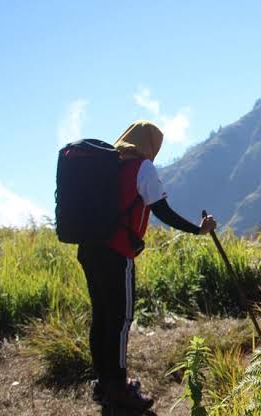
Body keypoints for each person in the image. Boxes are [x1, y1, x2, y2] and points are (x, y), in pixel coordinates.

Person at [77, 120, 217, 412]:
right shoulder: (142, 167)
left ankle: (104, 383)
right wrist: (197, 230)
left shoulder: (106, 165)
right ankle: (119, 390)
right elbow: (161, 210)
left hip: (89, 249)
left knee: (101, 318)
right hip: (117, 254)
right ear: (150, 144)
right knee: (119, 321)